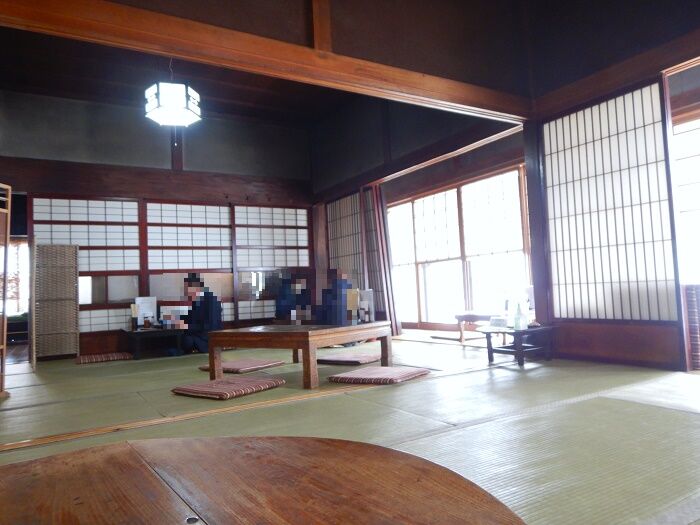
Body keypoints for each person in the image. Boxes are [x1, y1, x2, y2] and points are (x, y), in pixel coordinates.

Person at [170, 273, 222, 354]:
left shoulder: (211, 300)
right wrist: (175, 319)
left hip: (206, 337)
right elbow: (189, 317)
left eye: (187, 288)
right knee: (173, 338)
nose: (186, 291)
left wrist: (185, 325)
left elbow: (210, 325)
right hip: (196, 333)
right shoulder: (195, 299)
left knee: (184, 340)